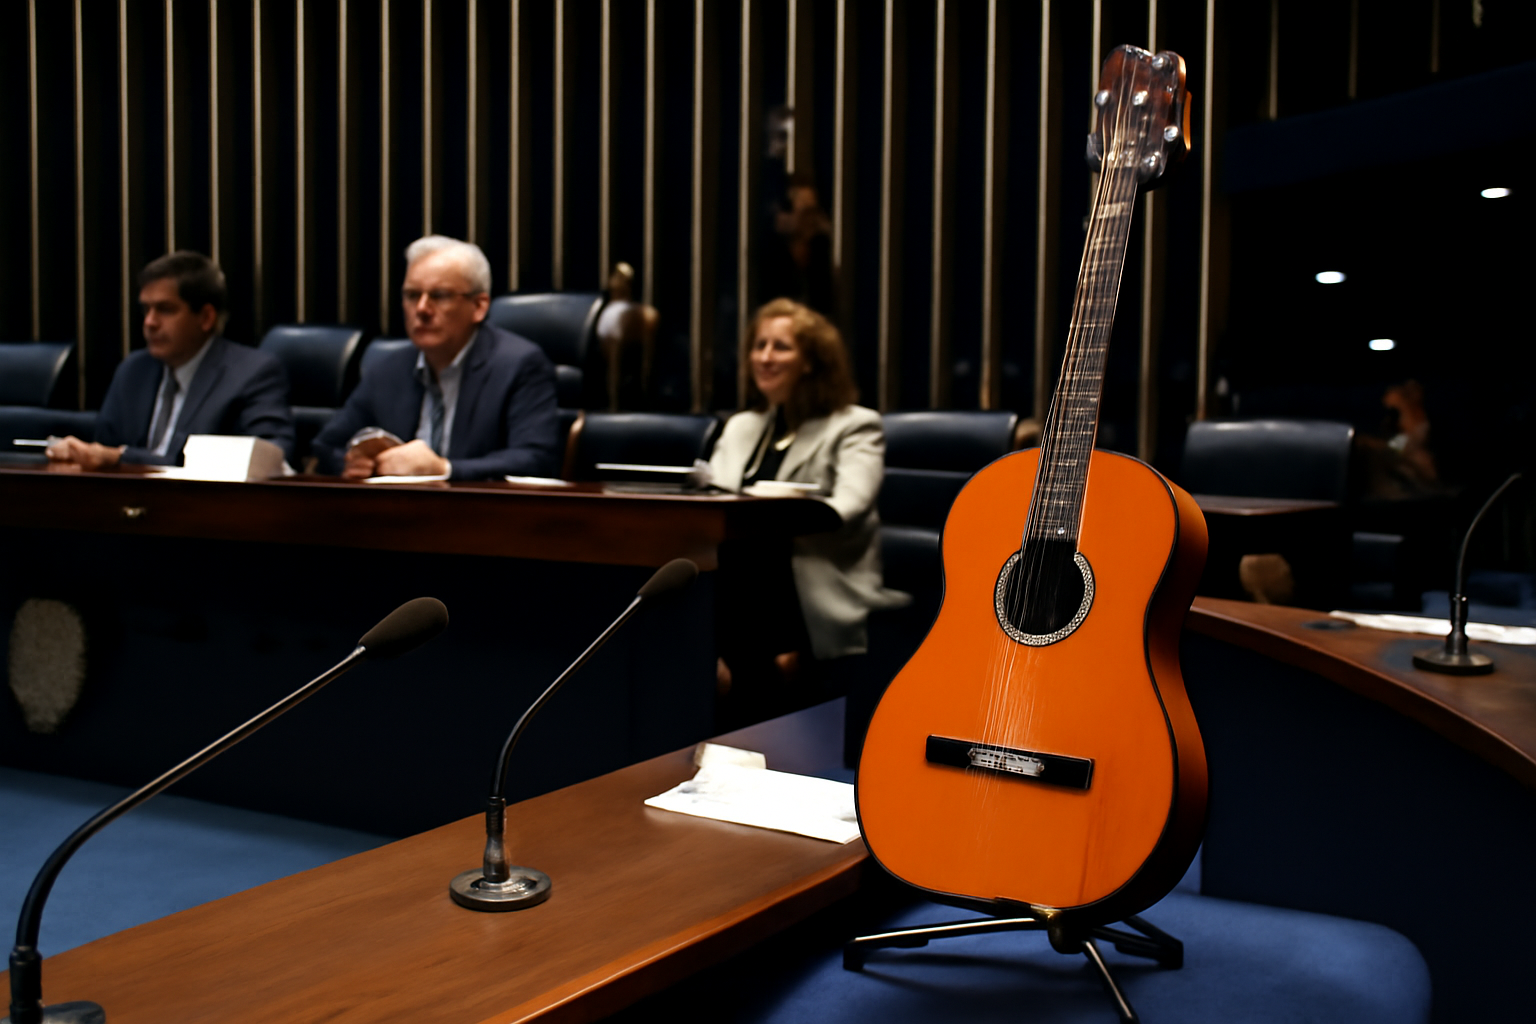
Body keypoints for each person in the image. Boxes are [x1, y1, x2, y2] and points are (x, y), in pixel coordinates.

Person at [708, 298, 907, 724]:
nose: (764, 357)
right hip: (745, 579)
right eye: (758, 345)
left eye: (780, 347)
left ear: (812, 361)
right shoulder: (742, 426)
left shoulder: (855, 424)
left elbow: (850, 504)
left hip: (813, 578)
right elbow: (713, 500)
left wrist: (776, 515)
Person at [312, 235, 562, 480]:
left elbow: (535, 459)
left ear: (479, 306)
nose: (421, 309)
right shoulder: (388, 368)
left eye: (439, 295)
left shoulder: (520, 364)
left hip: (481, 514)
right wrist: (357, 465)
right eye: (412, 295)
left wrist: (444, 468)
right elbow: (327, 447)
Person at [45, 252, 294, 469]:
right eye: (146, 309)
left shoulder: (251, 373)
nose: (150, 322)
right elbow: (102, 450)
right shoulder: (134, 370)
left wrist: (124, 457)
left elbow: (268, 457)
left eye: (165, 309)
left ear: (206, 317)